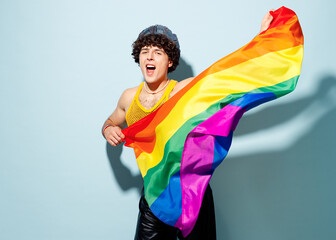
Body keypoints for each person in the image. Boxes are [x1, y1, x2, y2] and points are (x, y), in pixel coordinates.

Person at [102, 11, 274, 240]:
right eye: (145, 52)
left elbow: (229, 79)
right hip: (155, 198)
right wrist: (108, 129)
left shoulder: (182, 91)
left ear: (170, 61)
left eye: (157, 52)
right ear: (139, 58)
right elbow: (111, 121)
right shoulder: (128, 98)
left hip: (193, 194)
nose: (149, 57)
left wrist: (263, 38)